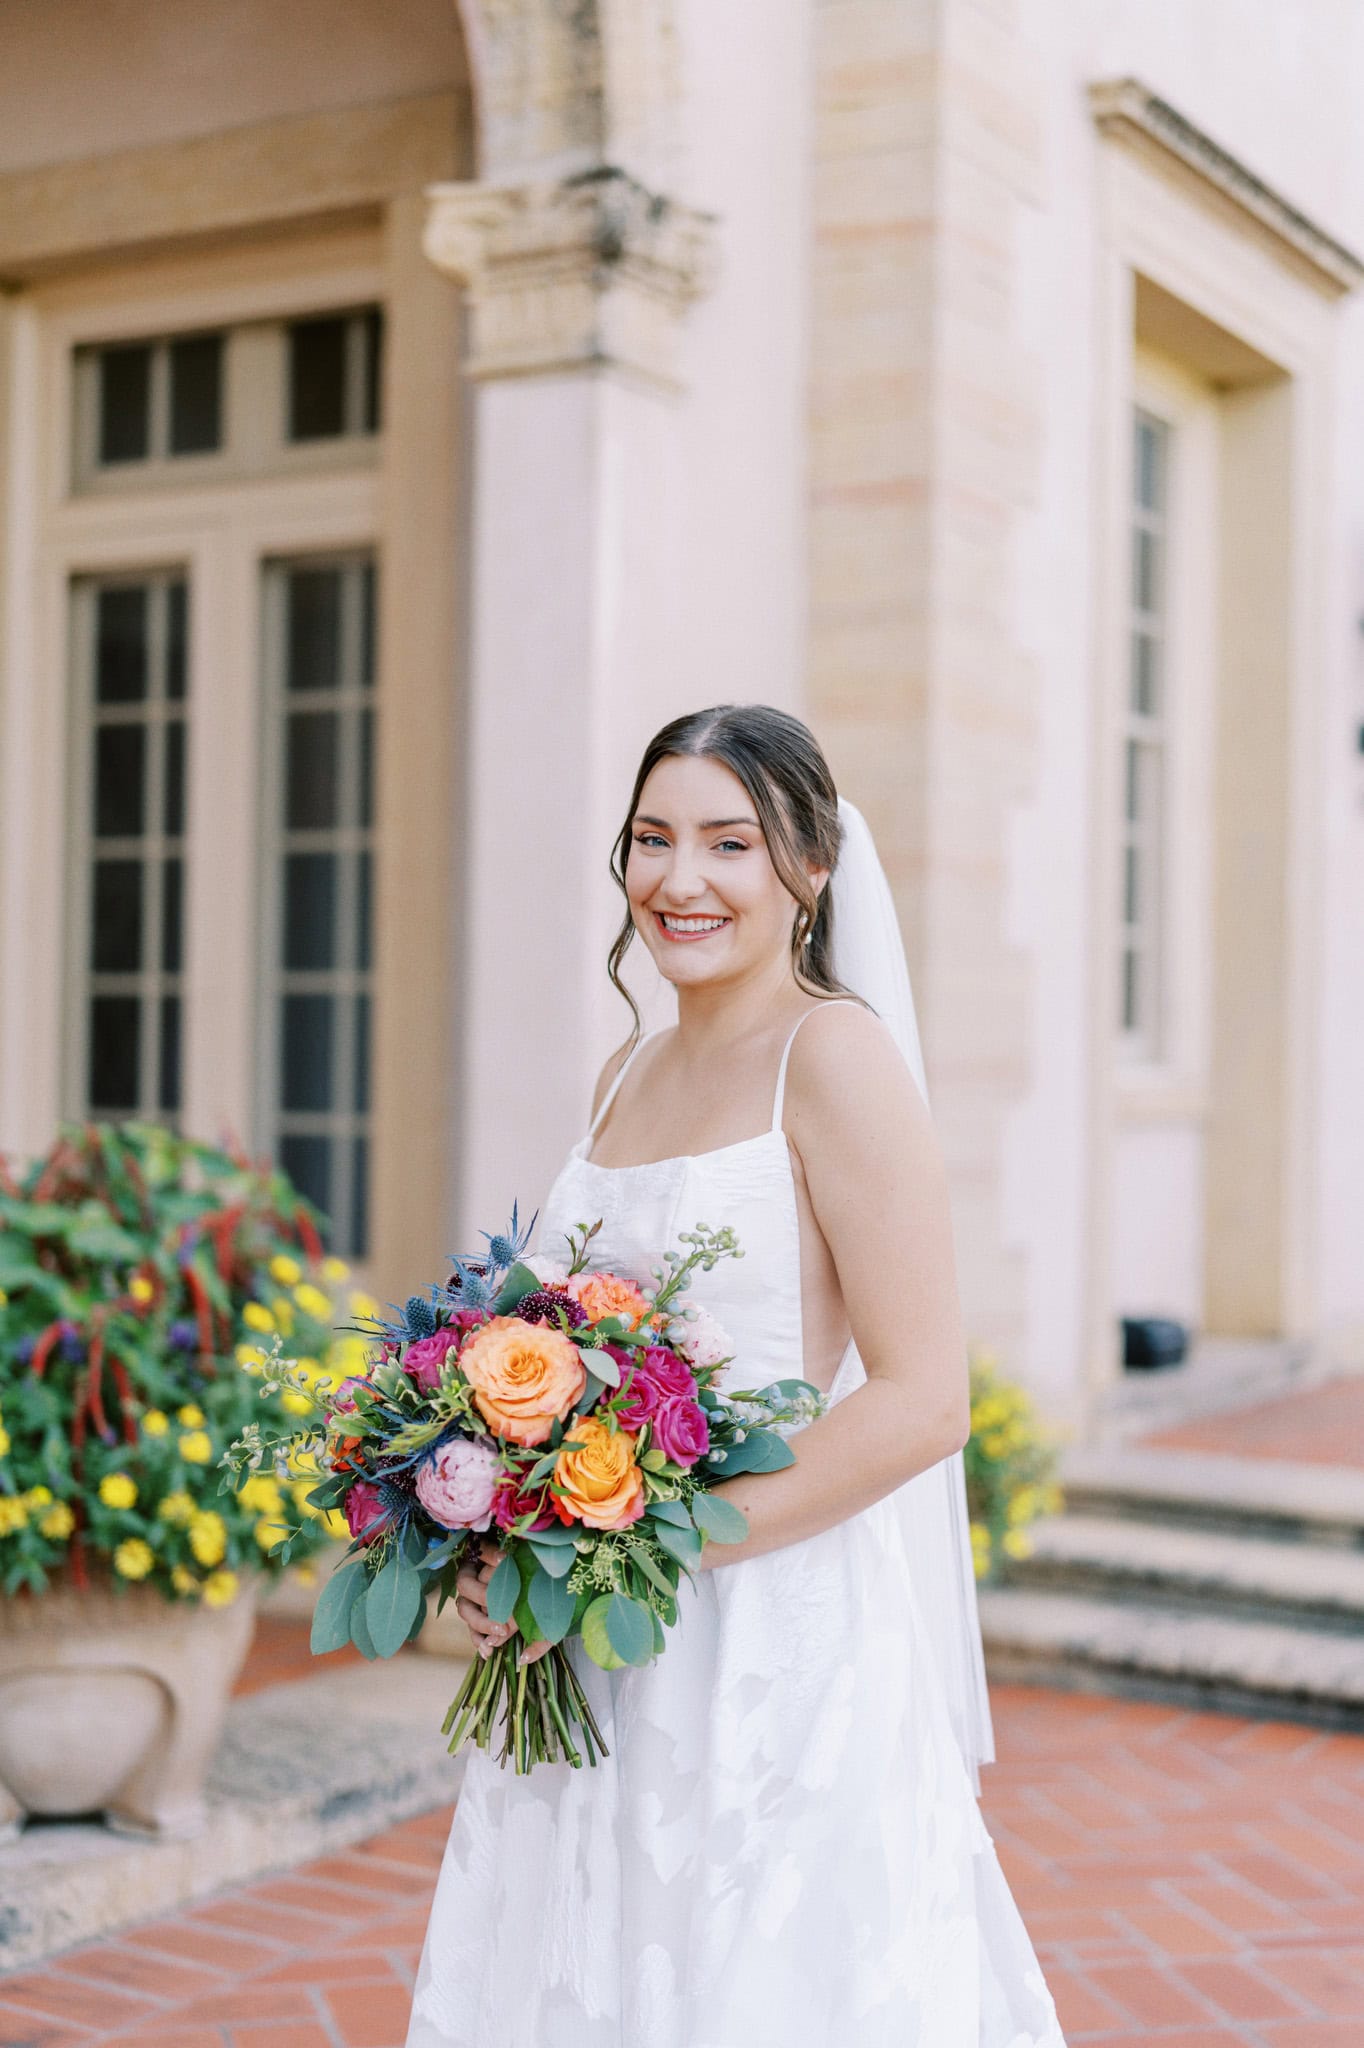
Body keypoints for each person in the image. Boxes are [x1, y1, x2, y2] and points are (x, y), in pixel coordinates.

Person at [406, 704, 1066, 2046]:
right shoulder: (623, 1073)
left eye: (727, 842)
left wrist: (639, 1543)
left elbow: (924, 1396)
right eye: (652, 839)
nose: (678, 879)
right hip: (591, 1649)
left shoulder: (835, 1060)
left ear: (809, 870)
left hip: (773, 1642)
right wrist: (497, 1533)